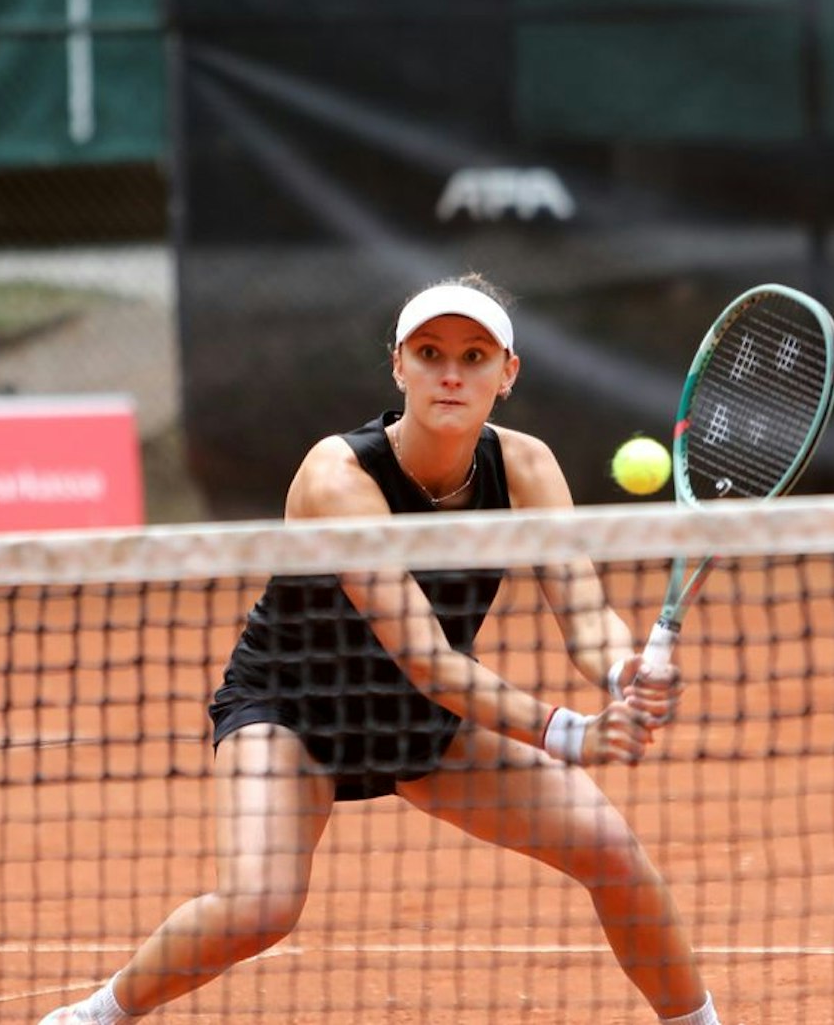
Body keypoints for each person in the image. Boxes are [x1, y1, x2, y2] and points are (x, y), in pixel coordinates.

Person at [39, 275, 721, 1025]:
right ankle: (91, 1018)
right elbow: (425, 656)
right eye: (430, 354)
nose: (451, 374)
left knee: (612, 851)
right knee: (260, 905)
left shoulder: (526, 467)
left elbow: (585, 615)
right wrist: (569, 733)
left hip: (421, 721)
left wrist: (623, 668)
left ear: (508, 373)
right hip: (294, 712)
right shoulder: (338, 477)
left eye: (474, 356)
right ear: (399, 365)